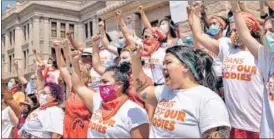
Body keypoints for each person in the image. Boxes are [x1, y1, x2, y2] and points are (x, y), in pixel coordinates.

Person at [190, 2, 264, 138]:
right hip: (235, 124)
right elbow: (200, 35)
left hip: (258, 123)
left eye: (238, 30)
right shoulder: (226, 46)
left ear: (250, 31)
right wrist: (195, 15)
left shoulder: (260, 53)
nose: (233, 34)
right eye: (232, 30)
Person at [133, 45, 230, 138]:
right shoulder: (165, 91)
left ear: (185, 66)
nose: (163, 67)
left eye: (168, 62)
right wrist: (135, 59)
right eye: (163, 64)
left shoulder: (208, 100)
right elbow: (142, 90)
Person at [70, 48, 149, 138]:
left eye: (105, 82)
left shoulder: (134, 111)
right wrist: (75, 62)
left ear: (119, 85)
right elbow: (78, 86)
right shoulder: (98, 101)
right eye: (101, 81)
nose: (101, 85)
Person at [230, 1, 274, 138]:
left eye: (272, 31)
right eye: (265, 31)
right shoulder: (268, 58)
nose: (267, 35)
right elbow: (245, 36)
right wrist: (235, 9)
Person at [53, 40, 92, 138]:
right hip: (69, 127)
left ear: (87, 77)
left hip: (85, 129)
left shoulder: (92, 93)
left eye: (80, 72)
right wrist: (58, 49)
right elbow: (62, 67)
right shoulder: (72, 86)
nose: (76, 74)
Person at [18, 63, 65, 138]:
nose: (41, 95)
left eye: (44, 93)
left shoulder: (55, 111)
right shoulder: (44, 107)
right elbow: (40, 86)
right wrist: (39, 71)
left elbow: (57, 135)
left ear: (53, 96)